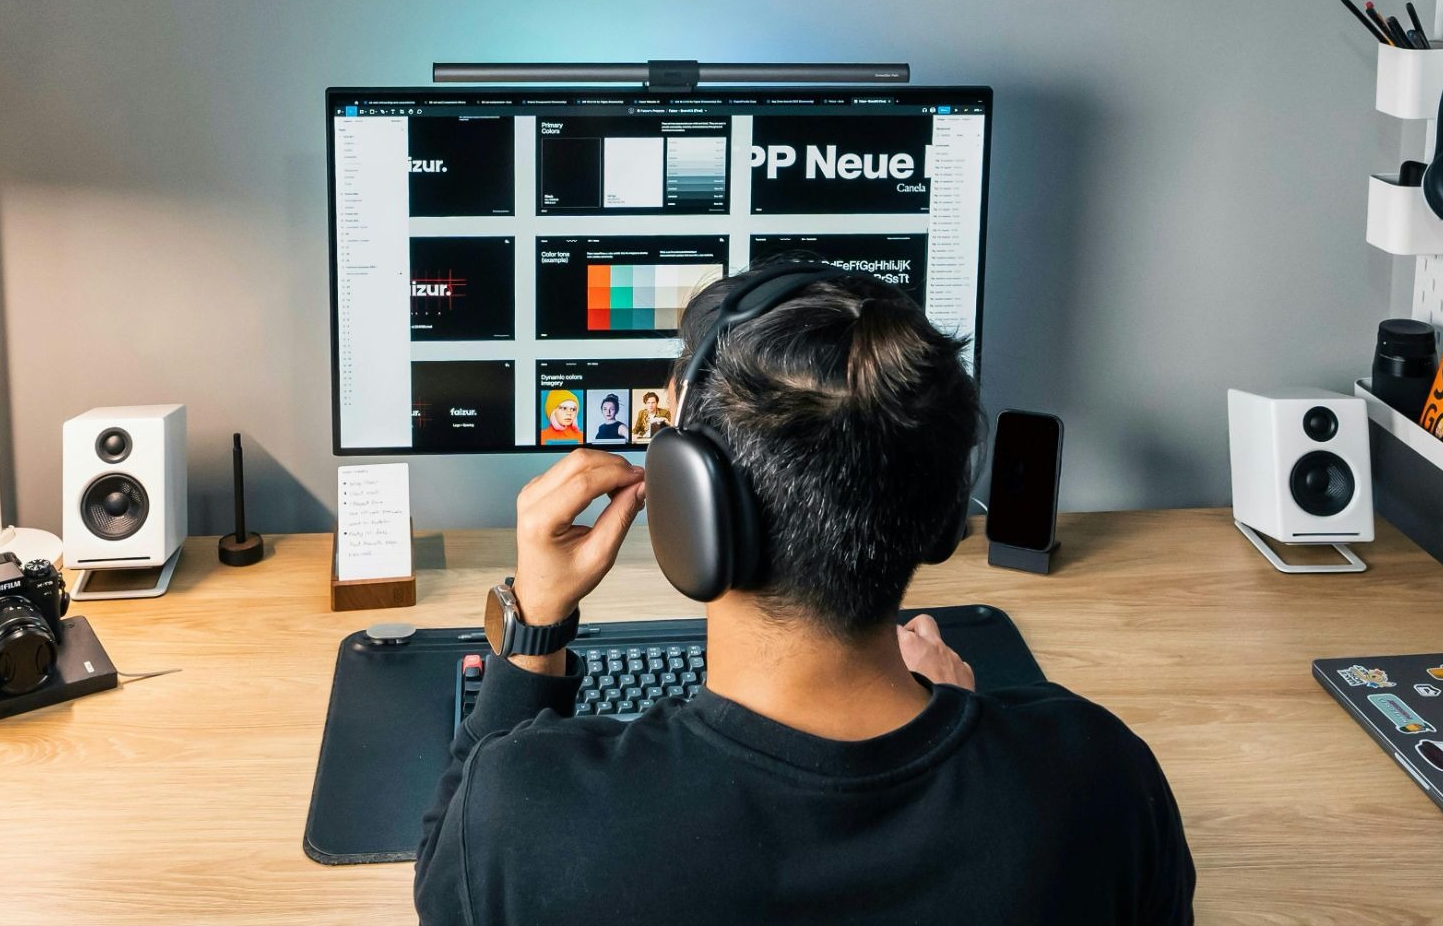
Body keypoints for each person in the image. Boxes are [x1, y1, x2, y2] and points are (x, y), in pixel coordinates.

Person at [416, 267, 1194, 923]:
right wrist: (974, 726)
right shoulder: (1102, 781)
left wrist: (534, 627)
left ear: (694, 510)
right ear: (944, 514)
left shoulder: (524, 814)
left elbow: (443, 889)